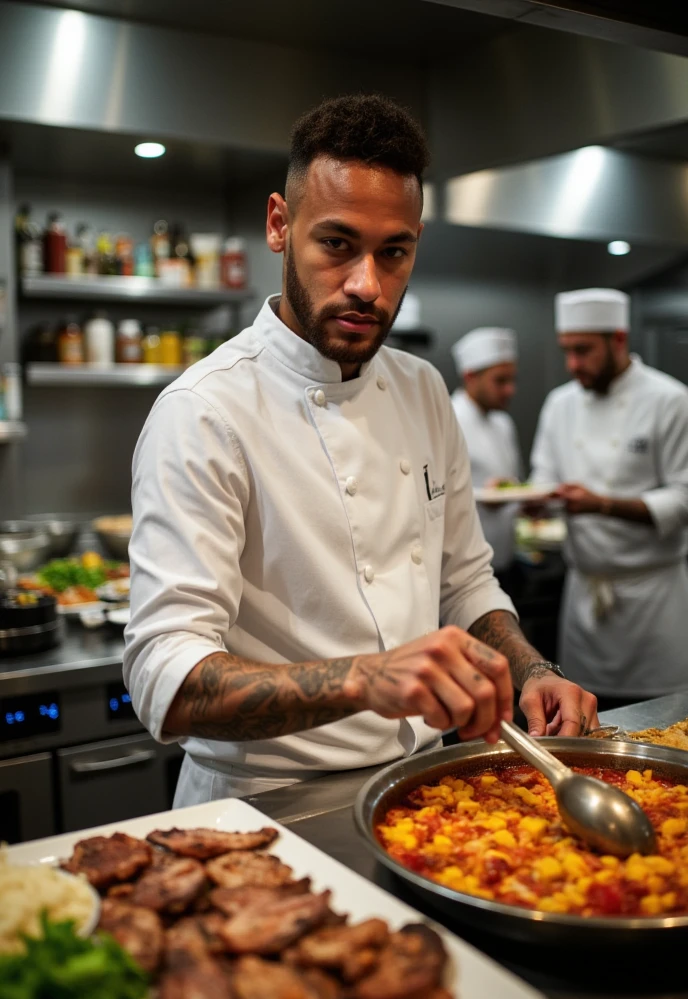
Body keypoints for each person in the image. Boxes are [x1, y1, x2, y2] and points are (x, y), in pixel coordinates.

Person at [124, 95, 598, 809]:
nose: (366, 286)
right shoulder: (204, 412)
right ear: (280, 225)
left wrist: (532, 671)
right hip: (263, 804)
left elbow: (465, 581)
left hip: (423, 789)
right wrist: (365, 679)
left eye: (394, 253)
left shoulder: (422, 389)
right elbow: (164, 675)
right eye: (337, 244)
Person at [531, 287, 688, 706]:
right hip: (584, 597)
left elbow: (683, 498)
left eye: (583, 350)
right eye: (567, 350)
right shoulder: (559, 404)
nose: (573, 365)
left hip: (653, 601)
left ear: (618, 339)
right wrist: (535, 498)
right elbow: (544, 476)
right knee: (582, 717)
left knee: (661, 722)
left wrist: (601, 504)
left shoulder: (669, 400)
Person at [451, 328, 522, 591]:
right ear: (470, 376)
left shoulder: (503, 423)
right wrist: (482, 497)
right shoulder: (448, 418)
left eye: (512, 380)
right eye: (500, 381)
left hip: (506, 560)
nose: (510, 390)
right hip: (464, 571)